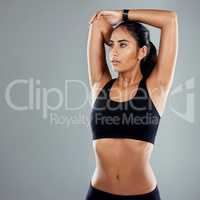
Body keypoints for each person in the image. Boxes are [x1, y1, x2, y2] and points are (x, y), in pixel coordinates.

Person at [85, 8, 178, 200]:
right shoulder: (99, 84)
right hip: (98, 194)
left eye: (122, 45)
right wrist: (124, 40)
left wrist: (123, 15)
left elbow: (170, 19)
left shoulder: (156, 87)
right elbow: (98, 22)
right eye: (111, 45)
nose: (113, 53)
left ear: (142, 52)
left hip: (142, 196)